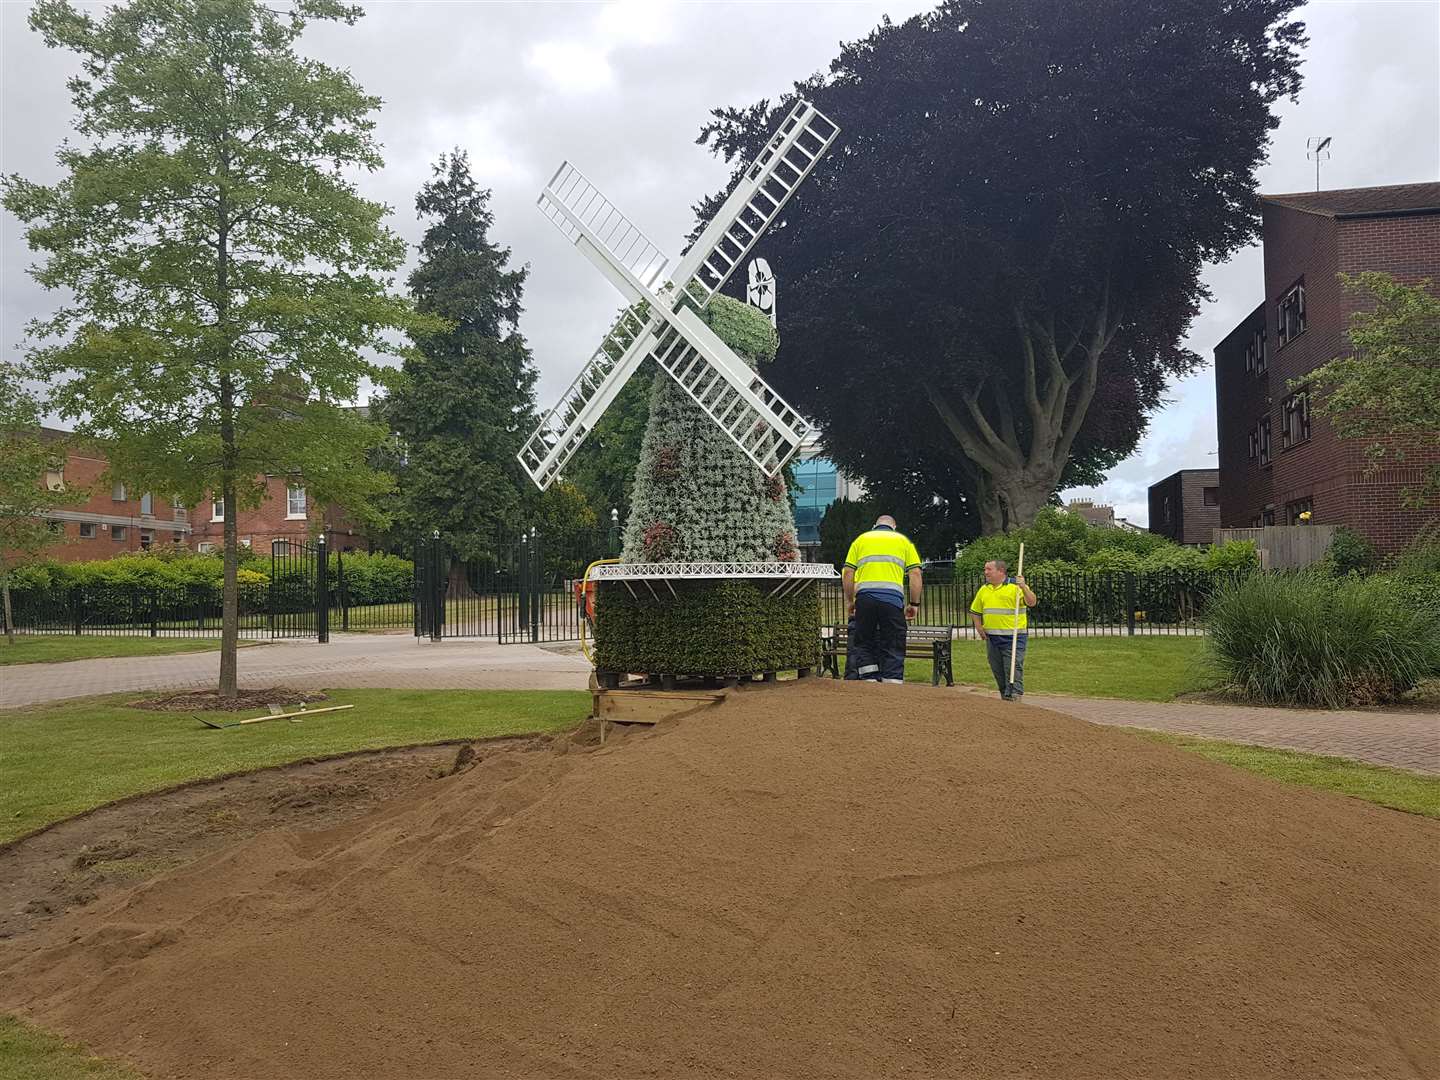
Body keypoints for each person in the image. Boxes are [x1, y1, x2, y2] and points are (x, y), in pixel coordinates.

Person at [842, 515, 922, 683]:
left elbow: (848, 573)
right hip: (892, 600)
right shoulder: (903, 542)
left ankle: (869, 680)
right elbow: (915, 573)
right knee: (894, 641)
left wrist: (851, 601)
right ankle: (892, 683)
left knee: (864, 641)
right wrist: (914, 603)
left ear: (875, 526)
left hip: (864, 598)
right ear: (894, 526)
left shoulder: (861, 540)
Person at [969, 559, 1037, 700]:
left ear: (1000, 571)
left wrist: (1024, 587)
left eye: (989, 569)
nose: (985, 572)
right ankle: (1005, 698)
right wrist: (979, 627)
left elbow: (1032, 602)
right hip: (992, 639)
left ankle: (1015, 697)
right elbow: (975, 611)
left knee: (1013, 669)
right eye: (985, 569)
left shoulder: (1015, 587)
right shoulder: (984, 589)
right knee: (998, 671)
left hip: (1014, 637)